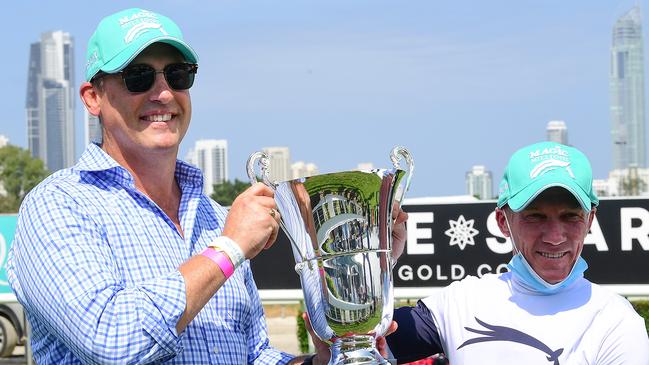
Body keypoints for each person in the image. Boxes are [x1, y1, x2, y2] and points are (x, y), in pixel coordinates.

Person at [7, 8, 349, 364]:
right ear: (93, 96)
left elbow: (253, 355)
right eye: (138, 76)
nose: (164, 93)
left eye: (177, 74)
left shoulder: (215, 218)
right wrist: (228, 249)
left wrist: (316, 362)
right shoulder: (57, 205)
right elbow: (109, 341)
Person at [386, 142, 649, 364]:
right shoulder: (459, 303)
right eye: (535, 217)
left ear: (590, 220)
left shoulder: (617, 320)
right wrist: (383, 261)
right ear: (503, 222)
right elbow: (362, 345)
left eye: (571, 216)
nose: (555, 237)